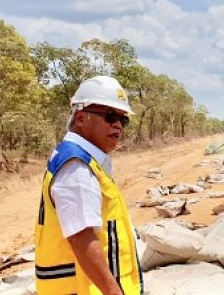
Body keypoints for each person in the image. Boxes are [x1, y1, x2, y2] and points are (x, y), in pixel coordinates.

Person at [34, 76, 142, 295]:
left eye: (123, 120)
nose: (118, 126)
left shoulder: (85, 160)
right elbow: (81, 237)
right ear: (81, 118)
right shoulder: (77, 166)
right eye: (110, 116)